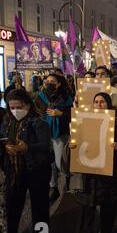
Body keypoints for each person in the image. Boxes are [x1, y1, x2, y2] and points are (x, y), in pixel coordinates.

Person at [70, 93, 117, 233]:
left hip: (108, 173)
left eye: (102, 102)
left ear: (109, 105)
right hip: (88, 174)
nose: (98, 104)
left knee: (107, 206)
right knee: (87, 206)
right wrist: (72, 146)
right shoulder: (83, 120)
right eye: (96, 101)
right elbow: (77, 143)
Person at [0, 89, 51, 233]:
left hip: (37, 171)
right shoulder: (7, 122)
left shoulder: (39, 123)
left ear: (27, 105)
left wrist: (27, 148)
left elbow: (44, 146)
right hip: (15, 172)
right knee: (11, 210)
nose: (14, 111)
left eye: (18, 106)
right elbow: (1, 139)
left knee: (40, 209)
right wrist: (0, 148)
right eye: (11, 107)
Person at [35, 74, 73, 203]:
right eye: (48, 81)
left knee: (60, 161)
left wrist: (61, 113)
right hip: (44, 134)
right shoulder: (40, 97)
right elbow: (36, 112)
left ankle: (68, 180)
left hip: (60, 133)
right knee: (49, 163)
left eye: (53, 81)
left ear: (59, 83)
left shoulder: (66, 97)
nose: (49, 83)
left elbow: (73, 113)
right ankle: (53, 187)